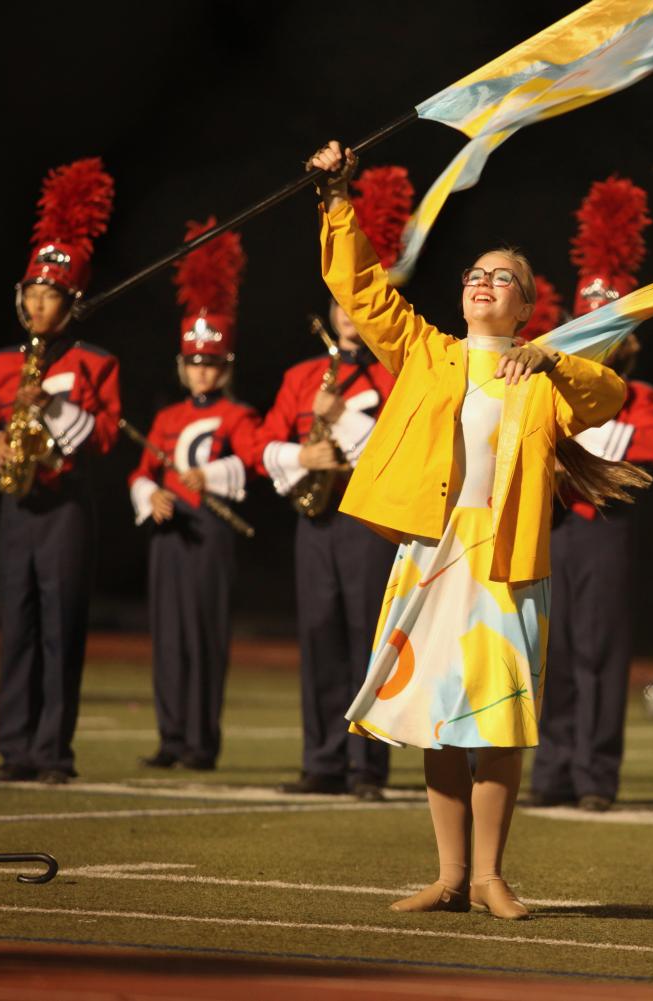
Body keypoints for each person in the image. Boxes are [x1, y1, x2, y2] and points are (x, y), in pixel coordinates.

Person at [308, 140, 628, 919]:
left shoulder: (541, 372)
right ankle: (451, 877)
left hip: (505, 557)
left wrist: (552, 361)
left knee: (497, 723)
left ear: (526, 305)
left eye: (503, 280)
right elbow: (357, 285)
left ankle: (489, 875)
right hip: (430, 552)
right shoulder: (427, 352)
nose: (484, 284)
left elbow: (610, 392)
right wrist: (334, 200)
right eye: (475, 275)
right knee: (439, 719)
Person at [245, 167, 411, 798]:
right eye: (342, 305)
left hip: (370, 518)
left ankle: (368, 767)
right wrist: (299, 456)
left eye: (359, 305)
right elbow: (263, 446)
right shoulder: (300, 376)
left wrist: (343, 419)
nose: (349, 318)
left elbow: (402, 442)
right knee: (317, 636)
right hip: (315, 518)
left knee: (368, 640)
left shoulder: (399, 376)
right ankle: (321, 762)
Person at [0, 158, 119, 785]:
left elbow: (104, 433)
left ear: (70, 301)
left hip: (64, 507)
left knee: (61, 626)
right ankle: (14, 750)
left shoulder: (94, 362)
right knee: (19, 624)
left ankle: (54, 752)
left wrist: (51, 407)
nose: (35, 304)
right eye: (30, 294)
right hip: (17, 504)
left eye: (48, 294)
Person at [529, 177, 653, 813]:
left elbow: (650, 446)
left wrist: (571, 460)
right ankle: (554, 769)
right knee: (552, 653)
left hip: (603, 534)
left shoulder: (640, 397)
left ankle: (595, 776)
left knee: (601, 654)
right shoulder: (552, 393)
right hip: (553, 530)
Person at [128, 221, 260, 771]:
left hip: (210, 531)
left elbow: (255, 460)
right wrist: (148, 498)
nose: (202, 370)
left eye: (211, 363)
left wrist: (218, 474)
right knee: (168, 638)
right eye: (195, 362)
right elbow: (141, 472)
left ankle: (200, 743)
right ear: (183, 365)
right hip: (168, 533)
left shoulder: (237, 414)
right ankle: (170, 737)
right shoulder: (165, 417)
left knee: (203, 637)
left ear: (223, 367)